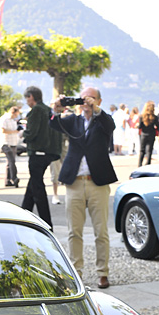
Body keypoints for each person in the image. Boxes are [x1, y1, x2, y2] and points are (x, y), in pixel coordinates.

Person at [49, 86, 116, 289]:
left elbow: (109, 125)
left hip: (97, 183)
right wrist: (56, 109)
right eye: (84, 98)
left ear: (99, 101)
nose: (87, 102)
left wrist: (95, 110)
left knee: (101, 232)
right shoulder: (73, 121)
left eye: (92, 99)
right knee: (74, 232)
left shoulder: (103, 120)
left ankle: (102, 273)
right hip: (75, 183)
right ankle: (76, 273)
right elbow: (53, 124)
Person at [21, 86, 61, 226]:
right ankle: (23, 214)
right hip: (49, 152)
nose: (26, 101)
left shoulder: (36, 110)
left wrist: (23, 134)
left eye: (27, 98)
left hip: (37, 153)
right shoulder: (48, 109)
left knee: (38, 188)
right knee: (32, 185)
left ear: (31, 96)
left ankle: (46, 223)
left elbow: (31, 132)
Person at [0, 105, 21, 187]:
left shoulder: (13, 120)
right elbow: (3, 130)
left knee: (10, 162)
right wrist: (14, 131)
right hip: (6, 143)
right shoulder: (4, 119)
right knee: (12, 161)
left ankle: (7, 180)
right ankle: (14, 178)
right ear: (13, 112)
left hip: (13, 142)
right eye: (16, 114)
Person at [137, 101, 159, 166]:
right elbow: (158, 126)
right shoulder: (154, 117)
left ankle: (140, 164)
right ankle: (148, 163)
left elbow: (140, 126)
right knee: (149, 150)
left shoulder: (142, 116)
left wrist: (137, 125)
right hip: (151, 134)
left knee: (142, 150)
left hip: (143, 134)